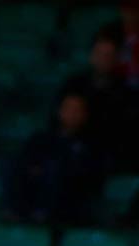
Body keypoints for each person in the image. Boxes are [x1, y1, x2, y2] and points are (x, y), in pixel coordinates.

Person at [2, 91, 107, 228]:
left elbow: (89, 174)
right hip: (33, 189)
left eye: (77, 110)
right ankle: (14, 210)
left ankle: (43, 213)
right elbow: (26, 158)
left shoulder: (92, 144)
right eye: (68, 108)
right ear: (59, 111)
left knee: (54, 169)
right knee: (9, 163)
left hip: (68, 198)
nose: (72, 114)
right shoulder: (42, 137)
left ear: (85, 114)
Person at [58, 32, 138, 174]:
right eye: (99, 53)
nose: (103, 59)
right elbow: (60, 121)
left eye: (109, 55)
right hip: (70, 152)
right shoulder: (74, 85)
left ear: (117, 58)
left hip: (106, 157)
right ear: (91, 55)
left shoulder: (127, 94)